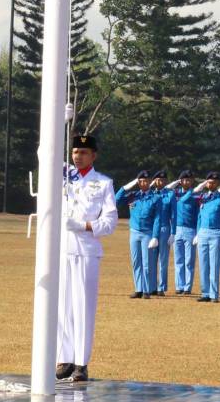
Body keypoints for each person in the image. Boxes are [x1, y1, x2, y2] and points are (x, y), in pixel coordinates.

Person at [56, 134, 117, 382]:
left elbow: (110, 222)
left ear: (93, 155)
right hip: (62, 248)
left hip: (86, 249)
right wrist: (62, 122)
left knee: (83, 306)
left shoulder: (103, 183)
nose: (77, 156)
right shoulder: (63, 176)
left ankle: (81, 362)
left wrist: (83, 225)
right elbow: (44, 153)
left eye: (83, 152)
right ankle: (65, 357)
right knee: (62, 306)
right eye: (74, 152)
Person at [116, 171, 160, 299]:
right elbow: (116, 199)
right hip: (134, 232)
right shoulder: (133, 196)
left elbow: (157, 219)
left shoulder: (155, 198)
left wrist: (155, 236)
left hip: (147, 233)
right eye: (140, 181)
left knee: (146, 263)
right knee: (136, 262)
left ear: (150, 181)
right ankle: (138, 289)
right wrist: (127, 186)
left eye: (146, 181)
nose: (143, 183)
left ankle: (146, 290)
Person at [193, 172, 220, 303]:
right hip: (203, 232)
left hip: (216, 233)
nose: (211, 184)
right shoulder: (203, 197)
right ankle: (205, 293)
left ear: (218, 183)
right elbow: (199, 217)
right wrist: (197, 233)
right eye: (209, 182)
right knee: (203, 264)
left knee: (214, 264)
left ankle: (214, 294)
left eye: (214, 182)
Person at [170, 171, 198, 295]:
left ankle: (187, 287)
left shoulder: (196, 195)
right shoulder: (175, 193)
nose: (186, 182)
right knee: (178, 260)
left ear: (192, 181)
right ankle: (179, 286)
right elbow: (166, 189)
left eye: (189, 180)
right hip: (176, 229)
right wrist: (176, 182)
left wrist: (197, 232)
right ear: (180, 181)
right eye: (184, 180)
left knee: (189, 261)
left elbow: (199, 214)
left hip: (190, 229)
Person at [148, 171, 175, 296]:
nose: (161, 182)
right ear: (154, 181)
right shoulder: (150, 194)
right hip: (151, 230)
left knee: (163, 260)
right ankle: (152, 286)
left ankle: (161, 287)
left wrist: (173, 233)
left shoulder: (170, 194)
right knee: (151, 259)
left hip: (164, 229)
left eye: (163, 180)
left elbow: (174, 215)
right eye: (158, 180)